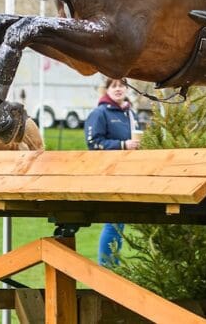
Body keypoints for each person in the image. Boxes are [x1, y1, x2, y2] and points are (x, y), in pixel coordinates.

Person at [85, 77, 140, 267]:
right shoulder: (100, 113)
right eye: (114, 85)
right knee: (113, 221)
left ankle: (113, 264)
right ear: (107, 89)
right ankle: (107, 266)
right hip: (109, 174)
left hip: (128, 174)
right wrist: (122, 145)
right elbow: (93, 143)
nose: (118, 89)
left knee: (120, 222)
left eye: (122, 85)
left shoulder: (130, 113)